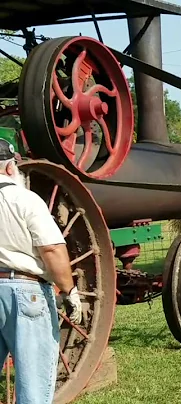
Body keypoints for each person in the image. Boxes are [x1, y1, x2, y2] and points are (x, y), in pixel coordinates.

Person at [0, 139, 82, 403]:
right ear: (12, 168)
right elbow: (52, 250)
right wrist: (70, 292)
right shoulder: (25, 200)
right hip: (26, 292)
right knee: (33, 389)